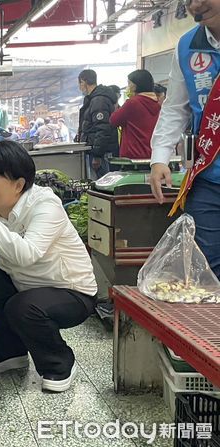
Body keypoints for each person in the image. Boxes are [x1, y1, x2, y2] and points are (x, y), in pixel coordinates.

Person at [0, 141, 97, 392]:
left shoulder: (45, 205)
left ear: (18, 184)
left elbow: (27, 254)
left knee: (23, 307)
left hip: (72, 293)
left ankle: (59, 364)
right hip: (25, 288)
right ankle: (8, 353)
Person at [150, 0, 220, 279]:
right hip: (207, 178)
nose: (196, 4)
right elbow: (176, 107)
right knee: (206, 269)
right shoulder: (187, 45)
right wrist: (159, 158)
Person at [75, 69, 119, 179]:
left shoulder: (99, 100)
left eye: (79, 84)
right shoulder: (94, 99)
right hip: (97, 151)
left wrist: (97, 155)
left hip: (102, 154)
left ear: (83, 81)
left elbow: (103, 128)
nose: (80, 87)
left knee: (103, 185)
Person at [110, 69, 161, 159]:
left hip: (133, 157)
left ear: (135, 85)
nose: (128, 87)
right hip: (153, 156)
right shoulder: (157, 103)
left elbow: (114, 120)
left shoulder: (133, 103)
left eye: (129, 83)